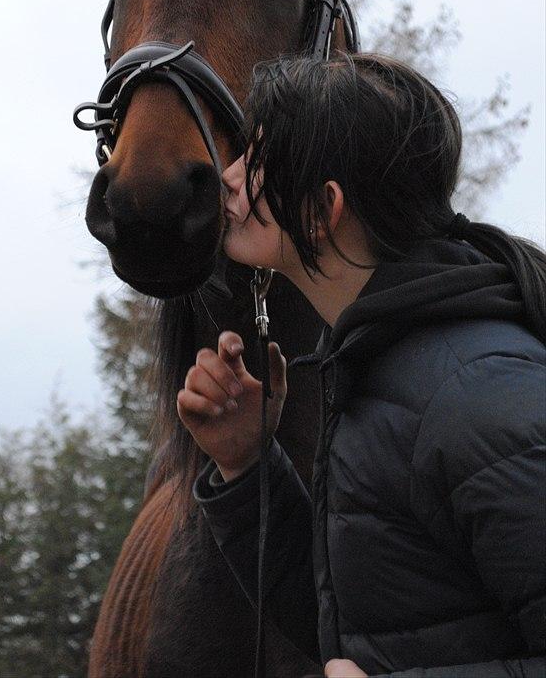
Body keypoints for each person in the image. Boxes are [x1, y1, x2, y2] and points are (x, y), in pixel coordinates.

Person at [176, 52, 546, 678]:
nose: (229, 177)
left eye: (257, 158)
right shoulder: (380, 372)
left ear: (322, 210)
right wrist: (246, 466)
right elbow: (365, 624)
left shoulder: (478, 393)